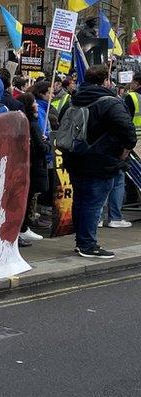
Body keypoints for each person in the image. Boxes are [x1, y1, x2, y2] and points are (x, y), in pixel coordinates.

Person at [58, 65, 137, 258]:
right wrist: (125, 150)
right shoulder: (110, 102)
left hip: (75, 157)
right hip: (101, 160)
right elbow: (128, 130)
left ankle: (81, 241)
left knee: (81, 201)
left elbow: (62, 122)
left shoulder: (73, 99)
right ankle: (88, 245)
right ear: (106, 80)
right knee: (94, 204)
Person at [17, 93, 49, 246]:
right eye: (34, 102)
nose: (36, 104)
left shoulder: (23, 122)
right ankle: (23, 228)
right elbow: (41, 148)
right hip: (33, 166)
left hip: (27, 165)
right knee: (28, 198)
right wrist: (47, 144)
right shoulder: (33, 124)